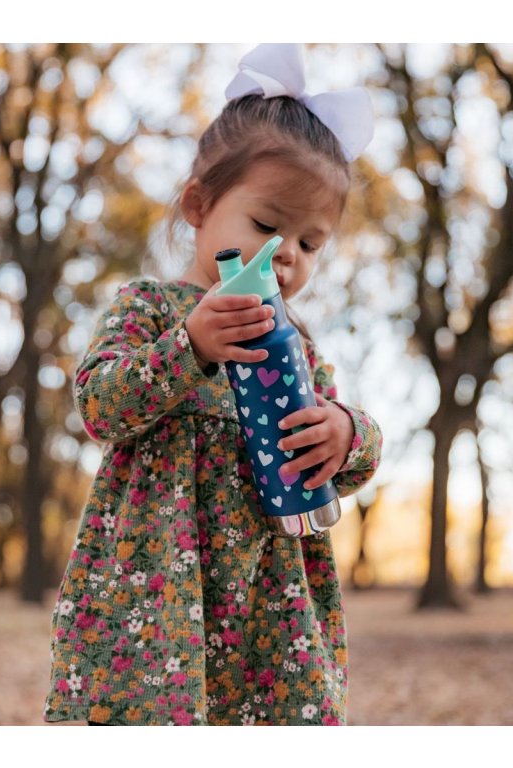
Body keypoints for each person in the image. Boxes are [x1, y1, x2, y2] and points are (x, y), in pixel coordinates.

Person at [43, 43, 383, 726]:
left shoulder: (299, 346)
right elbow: (99, 406)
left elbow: (337, 468)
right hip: (156, 597)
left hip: (268, 597)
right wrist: (187, 347)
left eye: (310, 243)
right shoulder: (150, 310)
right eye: (266, 225)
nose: (286, 254)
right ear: (198, 206)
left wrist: (347, 436)